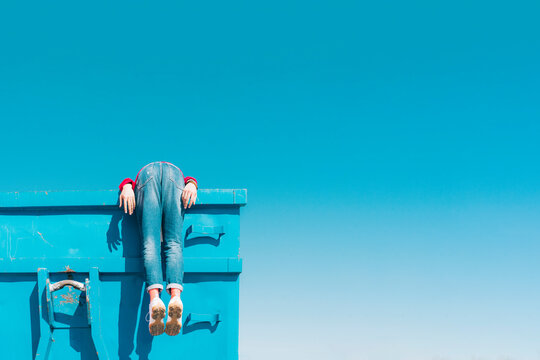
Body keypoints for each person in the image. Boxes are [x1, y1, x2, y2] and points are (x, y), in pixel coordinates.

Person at [118, 161, 198, 336]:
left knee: (150, 244)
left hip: (146, 175)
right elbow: (189, 179)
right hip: (176, 176)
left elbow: (128, 181)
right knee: (174, 243)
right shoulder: (183, 178)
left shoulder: (138, 179)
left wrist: (126, 187)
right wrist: (192, 184)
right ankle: (175, 297)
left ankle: (155, 300)